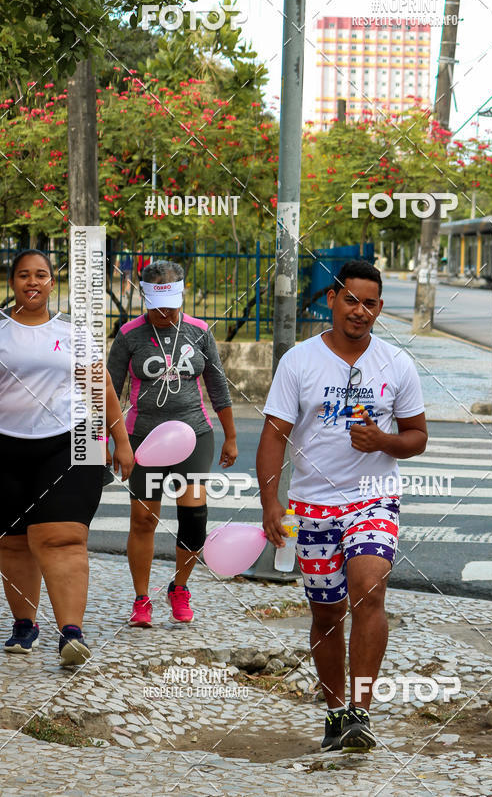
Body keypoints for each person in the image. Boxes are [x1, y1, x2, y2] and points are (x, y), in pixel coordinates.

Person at [257, 260, 427, 752]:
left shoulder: (396, 363)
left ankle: (360, 712)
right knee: (326, 612)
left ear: (379, 308)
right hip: (311, 504)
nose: (359, 311)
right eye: (351, 300)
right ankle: (335, 712)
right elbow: (273, 436)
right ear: (332, 299)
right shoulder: (299, 361)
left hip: (373, 496)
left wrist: (383, 441)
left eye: (370, 303)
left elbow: (417, 437)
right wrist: (271, 504)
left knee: (369, 591)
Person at [0, 249, 134, 665]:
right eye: (24, 275)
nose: (32, 282)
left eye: (40, 274)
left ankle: (71, 633)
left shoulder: (73, 332)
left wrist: (121, 440)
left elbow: (102, 387)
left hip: (72, 442)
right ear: (12, 282)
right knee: (13, 542)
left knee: (62, 537)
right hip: (6, 446)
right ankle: (25, 624)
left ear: (51, 282)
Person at [107, 260, 238, 627]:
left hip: (194, 435)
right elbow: (109, 391)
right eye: (156, 305)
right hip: (143, 438)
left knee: (194, 518)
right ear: (144, 298)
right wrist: (114, 442)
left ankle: (179, 588)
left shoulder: (200, 331)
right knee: (144, 519)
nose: (164, 313)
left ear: (182, 296)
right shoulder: (129, 334)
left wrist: (230, 436)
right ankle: (141, 599)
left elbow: (218, 386)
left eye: (171, 305)